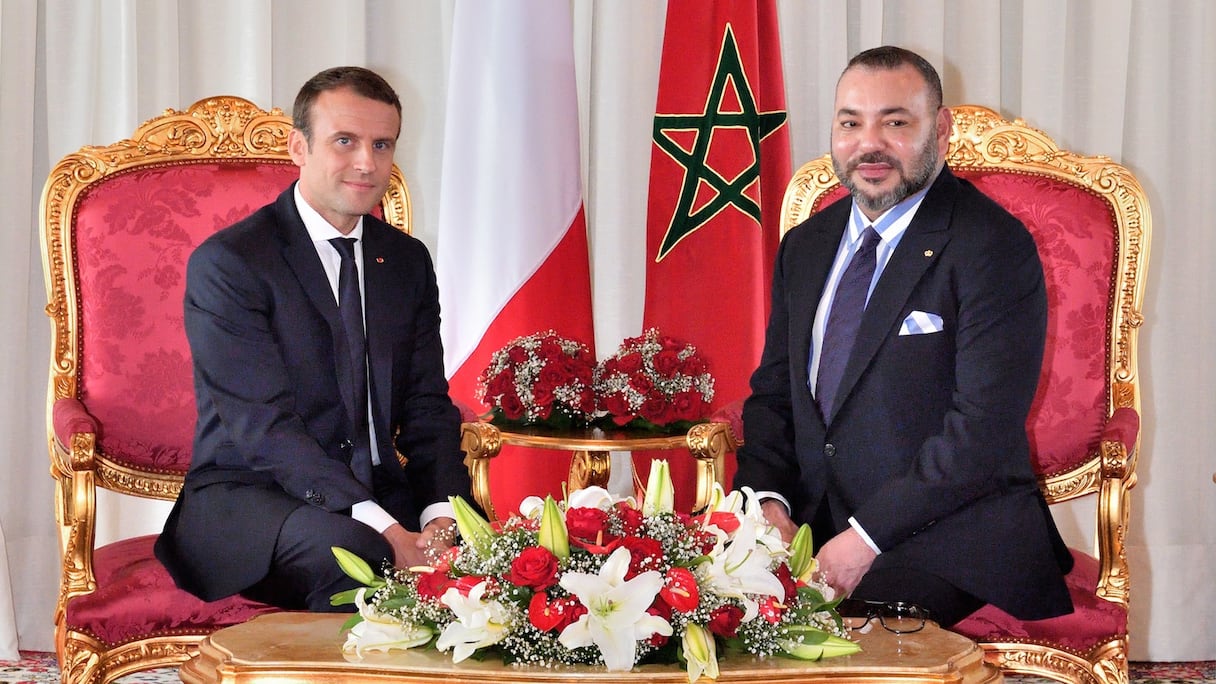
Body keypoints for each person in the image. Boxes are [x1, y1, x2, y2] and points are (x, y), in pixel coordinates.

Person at [734, 46, 1074, 627]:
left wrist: (864, 539)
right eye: (850, 123)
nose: (870, 144)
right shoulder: (806, 246)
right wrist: (768, 504)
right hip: (814, 521)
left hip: (951, 532)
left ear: (939, 128)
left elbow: (981, 432)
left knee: (841, 633)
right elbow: (774, 397)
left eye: (895, 122)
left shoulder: (991, 245)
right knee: (697, 603)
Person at [155, 66, 473, 612]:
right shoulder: (232, 263)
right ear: (298, 147)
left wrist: (441, 517)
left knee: (488, 550)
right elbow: (264, 429)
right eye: (344, 141)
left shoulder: (405, 261)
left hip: (379, 490)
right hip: (254, 497)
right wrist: (392, 535)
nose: (366, 163)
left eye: (382, 144)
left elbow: (426, 406)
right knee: (356, 556)